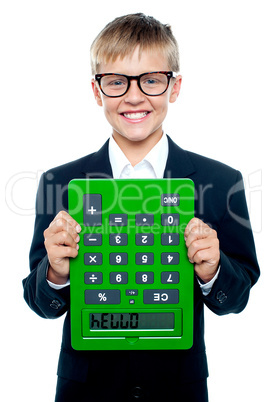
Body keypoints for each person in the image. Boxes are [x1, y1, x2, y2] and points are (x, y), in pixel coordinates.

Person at [22, 13, 260, 402]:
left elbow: (237, 297)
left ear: (175, 86)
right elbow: (40, 304)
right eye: (117, 82)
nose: (134, 97)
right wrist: (54, 271)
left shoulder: (221, 181)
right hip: (86, 389)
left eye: (151, 80)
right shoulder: (59, 183)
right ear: (97, 92)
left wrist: (215, 270)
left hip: (177, 388)